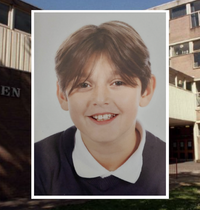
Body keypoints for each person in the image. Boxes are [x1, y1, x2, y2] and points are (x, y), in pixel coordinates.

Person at [34, 21, 165, 195]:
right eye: (84, 84)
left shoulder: (165, 164)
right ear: (62, 95)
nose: (100, 99)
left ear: (146, 90)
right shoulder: (38, 163)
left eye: (118, 82)